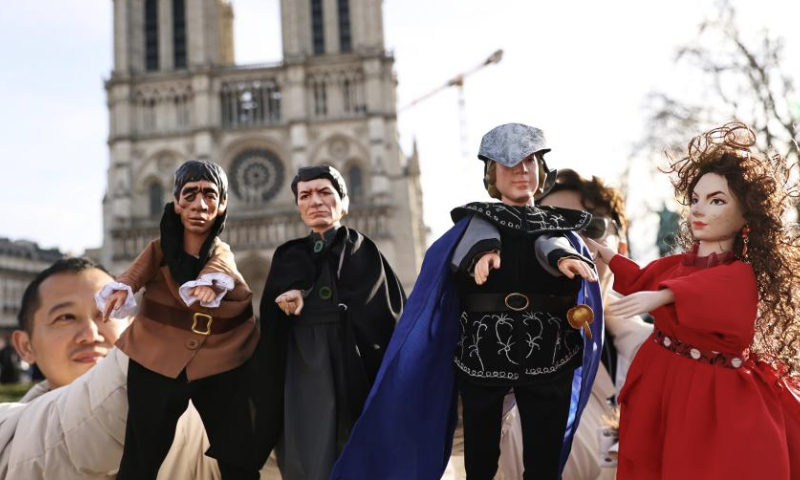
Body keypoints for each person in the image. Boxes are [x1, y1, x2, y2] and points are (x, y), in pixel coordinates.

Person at [332, 123, 604, 480]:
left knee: (544, 453)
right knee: (480, 456)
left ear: (541, 169)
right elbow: (460, 252)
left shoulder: (558, 227)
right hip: (484, 349)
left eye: (529, 163)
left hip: (549, 350)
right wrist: (480, 255)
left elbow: (549, 243)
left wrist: (564, 258)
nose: (521, 173)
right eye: (509, 166)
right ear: (493, 174)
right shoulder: (475, 222)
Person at [591, 122, 800, 479]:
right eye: (696, 199)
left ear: (746, 214)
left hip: (710, 396)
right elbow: (644, 277)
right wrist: (604, 252)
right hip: (664, 383)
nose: (699, 210)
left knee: (698, 465)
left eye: (717, 201)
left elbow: (714, 292)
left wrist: (662, 296)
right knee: (650, 462)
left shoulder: (738, 274)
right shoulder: (678, 264)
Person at [99, 160, 260, 480]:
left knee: (237, 453)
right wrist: (123, 289)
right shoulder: (158, 248)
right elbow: (136, 271)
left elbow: (222, 266)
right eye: (189, 195)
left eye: (210, 196)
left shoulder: (220, 251)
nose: (199, 205)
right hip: (157, 355)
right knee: (142, 452)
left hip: (218, 357)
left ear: (223, 204)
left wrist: (209, 283)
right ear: (175, 202)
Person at [0, 257, 220, 479]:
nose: (90, 335)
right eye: (65, 317)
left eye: (108, 311)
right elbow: (79, 427)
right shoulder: (7, 431)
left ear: (129, 324)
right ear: (25, 346)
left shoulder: (208, 422)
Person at [252, 165, 406, 480]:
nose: (316, 202)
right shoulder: (287, 256)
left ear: (343, 203)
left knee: (357, 451)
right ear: (297, 206)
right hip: (304, 367)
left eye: (325, 192)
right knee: (307, 451)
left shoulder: (365, 251)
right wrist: (287, 300)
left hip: (356, 364)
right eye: (305, 195)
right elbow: (270, 323)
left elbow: (386, 318)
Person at [539, 169, 653, 480]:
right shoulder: (499, 353)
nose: (571, 244)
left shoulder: (669, 353)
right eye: (550, 229)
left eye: (591, 227)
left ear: (622, 250)